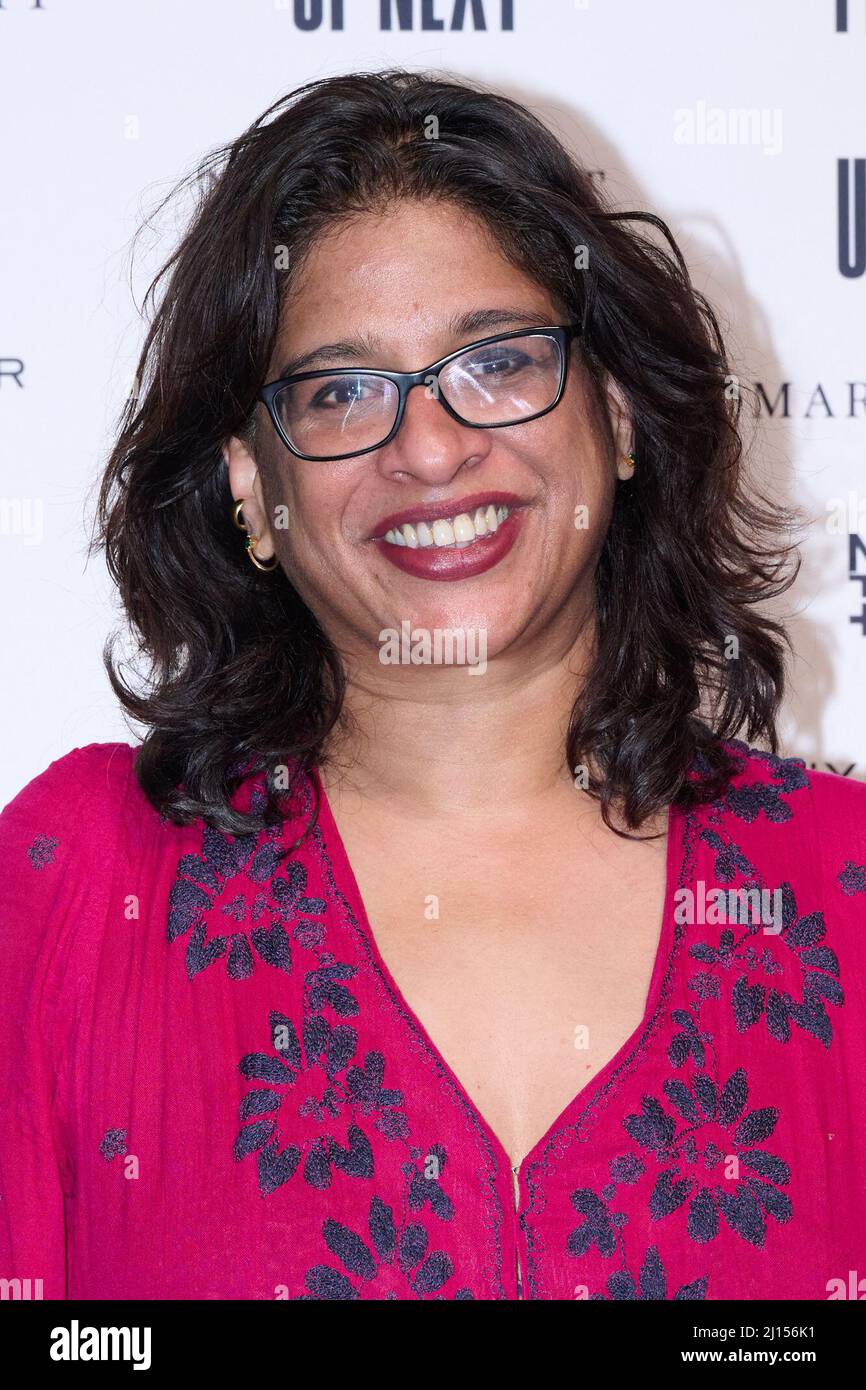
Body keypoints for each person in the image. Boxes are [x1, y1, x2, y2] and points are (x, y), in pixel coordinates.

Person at [1, 68, 864, 1302]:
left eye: (497, 362)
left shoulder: (843, 892)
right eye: (341, 391)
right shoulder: (77, 889)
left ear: (615, 414)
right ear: (253, 483)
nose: (430, 447)